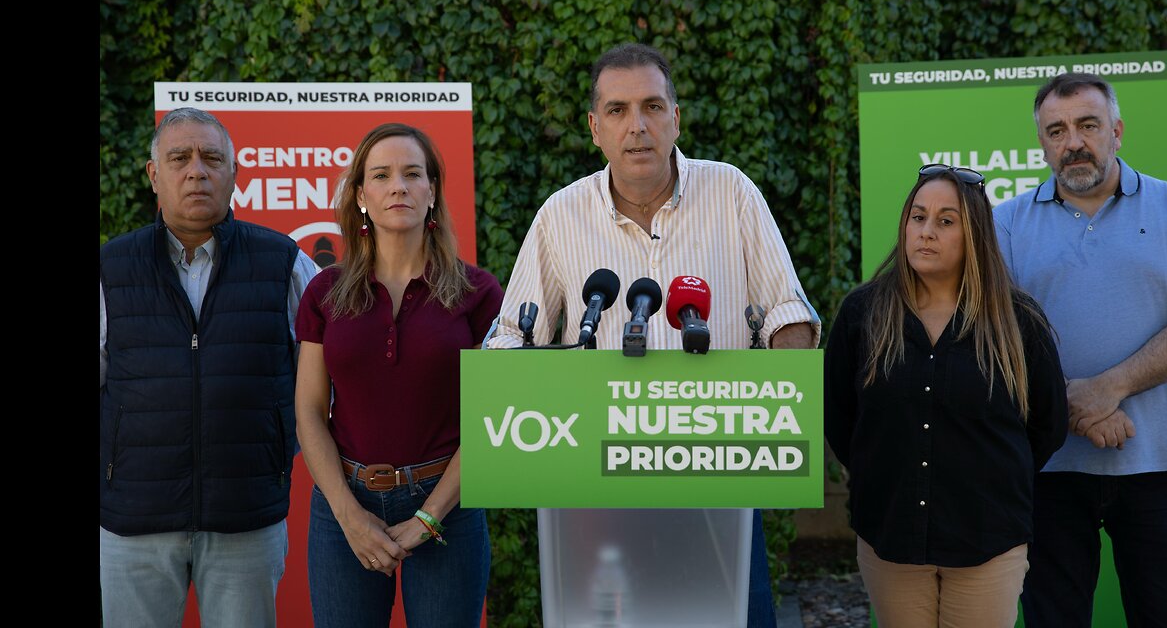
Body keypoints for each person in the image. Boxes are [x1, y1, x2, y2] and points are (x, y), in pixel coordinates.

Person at [487, 42, 821, 626]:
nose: (636, 126)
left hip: (718, 483)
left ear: (676, 117)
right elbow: (513, 338)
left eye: (651, 106)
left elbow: (787, 316)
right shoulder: (560, 216)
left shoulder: (732, 193)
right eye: (617, 111)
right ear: (594, 128)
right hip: (602, 493)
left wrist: (777, 409)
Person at [100, 107, 318, 628]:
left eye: (212, 158)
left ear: (234, 174)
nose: (197, 170)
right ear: (155, 176)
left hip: (246, 516)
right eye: (179, 158)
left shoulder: (285, 263)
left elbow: (325, 380)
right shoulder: (111, 267)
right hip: (134, 522)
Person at [824, 164, 1068, 628]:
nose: (926, 232)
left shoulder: (1018, 322)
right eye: (918, 217)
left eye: (945, 221)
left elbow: (1047, 426)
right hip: (890, 537)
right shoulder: (863, 314)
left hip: (987, 540)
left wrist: (988, 479)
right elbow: (840, 420)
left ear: (974, 233)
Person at [295, 123, 503, 627]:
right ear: (361, 195)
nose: (399, 187)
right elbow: (307, 410)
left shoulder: (477, 292)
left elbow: (491, 417)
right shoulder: (325, 291)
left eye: (413, 174)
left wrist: (428, 518)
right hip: (344, 505)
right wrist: (349, 516)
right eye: (382, 175)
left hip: (448, 507)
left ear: (432, 191)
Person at [994, 73, 1167, 627]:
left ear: (1117, 131)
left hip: (1162, 466)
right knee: (1054, 620)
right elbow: (998, 337)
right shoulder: (1004, 222)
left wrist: (1110, 388)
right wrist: (1073, 406)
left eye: (1087, 125)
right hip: (1048, 468)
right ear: (1043, 144)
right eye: (1056, 130)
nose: (1072, 141)